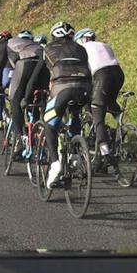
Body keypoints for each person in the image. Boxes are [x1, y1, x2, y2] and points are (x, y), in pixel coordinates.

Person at [42, 22, 92, 188]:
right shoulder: (81, 48)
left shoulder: (48, 49)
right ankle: (76, 155)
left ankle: (55, 163)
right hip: (85, 88)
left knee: (49, 123)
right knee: (75, 112)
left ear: (54, 36)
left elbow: (41, 75)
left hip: (62, 88)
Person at [74, 28, 124, 162]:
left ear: (82, 40)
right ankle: (121, 125)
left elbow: (84, 73)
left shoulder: (82, 48)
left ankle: (104, 150)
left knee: (97, 110)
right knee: (110, 101)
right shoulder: (104, 45)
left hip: (102, 75)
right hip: (118, 73)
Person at [6, 30, 43, 159]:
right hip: (42, 65)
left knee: (14, 101)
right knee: (37, 99)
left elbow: (2, 66)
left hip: (24, 64)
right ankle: (40, 132)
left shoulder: (11, 43)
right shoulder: (36, 45)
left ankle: (20, 140)